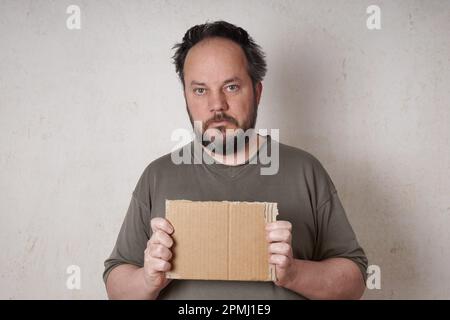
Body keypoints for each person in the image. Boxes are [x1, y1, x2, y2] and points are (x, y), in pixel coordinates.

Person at [103, 20, 368, 300]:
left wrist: (295, 273)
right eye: (200, 90)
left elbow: (355, 281)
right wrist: (147, 280)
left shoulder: (305, 171)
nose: (216, 105)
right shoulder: (158, 176)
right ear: (186, 96)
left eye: (231, 87)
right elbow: (116, 284)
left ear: (257, 91)